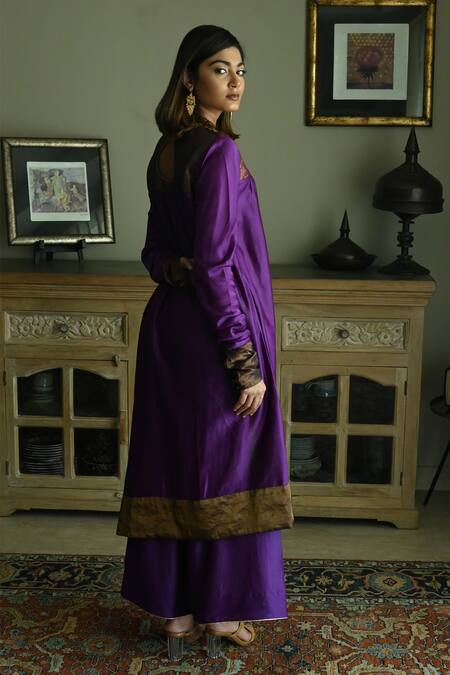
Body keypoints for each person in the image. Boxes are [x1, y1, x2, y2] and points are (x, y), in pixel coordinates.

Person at [116, 24, 294, 661]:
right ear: (190, 78)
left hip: (169, 331)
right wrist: (245, 361)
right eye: (222, 69)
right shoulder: (217, 154)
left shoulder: (165, 151)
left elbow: (154, 254)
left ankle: (178, 611)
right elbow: (218, 267)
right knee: (227, 469)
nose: (236, 81)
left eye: (241, 69)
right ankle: (220, 613)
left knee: (180, 463)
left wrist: (180, 271)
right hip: (216, 333)